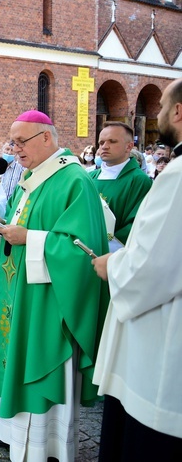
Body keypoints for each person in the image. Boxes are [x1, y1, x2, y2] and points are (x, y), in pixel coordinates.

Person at [0, 110, 109, 461]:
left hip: (50, 303)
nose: (14, 150)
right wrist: (2, 227)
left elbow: (82, 252)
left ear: (46, 138)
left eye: (21, 142)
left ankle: (48, 450)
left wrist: (29, 238)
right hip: (21, 295)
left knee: (42, 369)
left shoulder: (74, 181)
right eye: (12, 142)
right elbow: (22, 226)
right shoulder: (33, 178)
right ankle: (13, 437)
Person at [91, 77, 182, 461]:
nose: (157, 113)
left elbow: (152, 263)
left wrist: (113, 264)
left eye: (161, 106)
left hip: (162, 336)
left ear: (178, 111)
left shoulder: (175, 177)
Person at [89, 122, 152, 249]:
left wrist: (108, 248)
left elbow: (138, 223)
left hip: (115, 253)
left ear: (129, 147)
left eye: (112, 141)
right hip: (86, 247)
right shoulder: (90, 177)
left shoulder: (139, 180)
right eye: (101, 143)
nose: (105, 147)